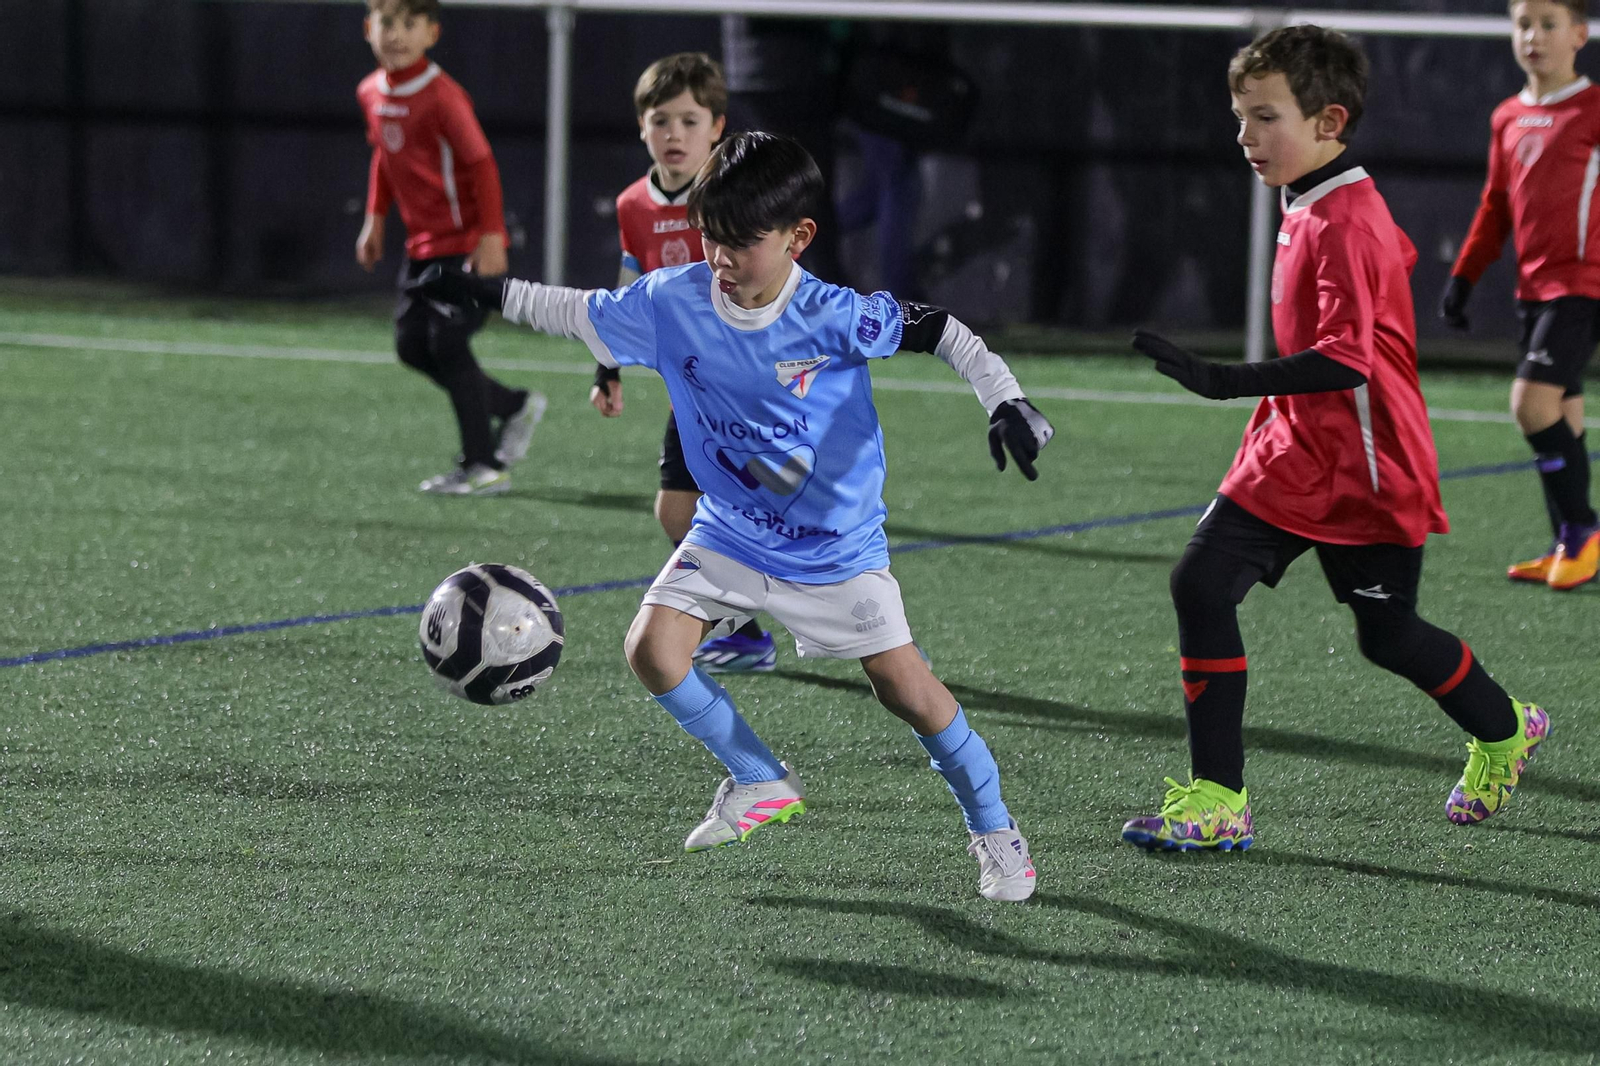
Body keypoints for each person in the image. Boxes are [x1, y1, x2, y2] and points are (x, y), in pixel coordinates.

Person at [411, 132, 1055, 902]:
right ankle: (760, 777)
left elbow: (941, 330)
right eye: (711, 236)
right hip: (732, 526)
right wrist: (481, 288)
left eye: (743, 242)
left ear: (798, 237)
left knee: (906, 692)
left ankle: (996, 832)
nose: (721, 257)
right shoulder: (670, 301)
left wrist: (1006, 398)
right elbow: (572, 310)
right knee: (652, 649)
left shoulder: (833, 315)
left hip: (834, 549)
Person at [1122, 25, 1549, 852]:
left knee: (1387, 637)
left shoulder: (1344, 217)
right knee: (1200, 586)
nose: (1245, 136)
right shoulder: (1312, 197)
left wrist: (1222, 379)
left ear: (1330, 121)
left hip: (1368, 466)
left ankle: (1504, 729)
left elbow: (1348, 360)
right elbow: (1397, 257)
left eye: (1264, 117)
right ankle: (1218, 801)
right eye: (1240, 116)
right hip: (1290, 453)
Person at [589, 53, 779, 673]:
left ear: (717, 127)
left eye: (690, 121)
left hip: (742, 384)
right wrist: (608, 366)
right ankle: (748, 625)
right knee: (679, 510)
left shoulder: (736, 200)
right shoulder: (632, 206)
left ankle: (753, 624)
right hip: (691, 391)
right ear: (642, 127)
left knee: (716, 508)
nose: (675, 133)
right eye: (661, 119)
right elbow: (630, 283)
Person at [1440, 0, 1600, 590]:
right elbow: (1496, 204)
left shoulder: (1594, 107)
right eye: (1523, 24)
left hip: (1582, 286)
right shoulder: (1507, 114)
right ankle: (1570, 547)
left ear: (1580, 34)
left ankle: (1583, 530)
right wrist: (1464, 275)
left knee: (1530, 405)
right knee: (1564, 415)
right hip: (1533, 289)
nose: (1534, 36)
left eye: (1549, 24)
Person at [355, 0, 544, 496]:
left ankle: (483, 466)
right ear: (368, 28)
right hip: (421, 246)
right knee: (412, 346)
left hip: (463, 244)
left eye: (409, 24)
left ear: (432, 33)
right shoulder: (371, 91)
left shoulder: (442, 96)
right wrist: (374, 221)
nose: (396, 34)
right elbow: (384, 154)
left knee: (448, 343)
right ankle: (511, 405)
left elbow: (482, 164)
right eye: (387, 23)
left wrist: (490, 236)